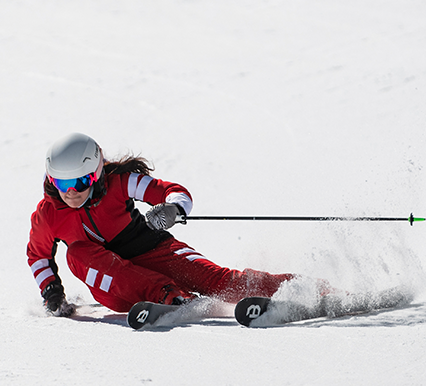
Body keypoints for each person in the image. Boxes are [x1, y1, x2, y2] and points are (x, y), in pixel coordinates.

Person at [27, 133, 295, 316]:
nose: (71, 192)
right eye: (62, 183)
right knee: (77, 253)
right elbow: (37, 255)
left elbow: (174, 191)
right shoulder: (48, 214)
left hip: (155, 252)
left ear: (96, 174)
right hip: (116, 287)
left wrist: (173, 209)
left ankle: (308, 291)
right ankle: (170, 296)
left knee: (220, 282)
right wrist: (51, 290)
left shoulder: (119, 183)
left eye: (80, 182)